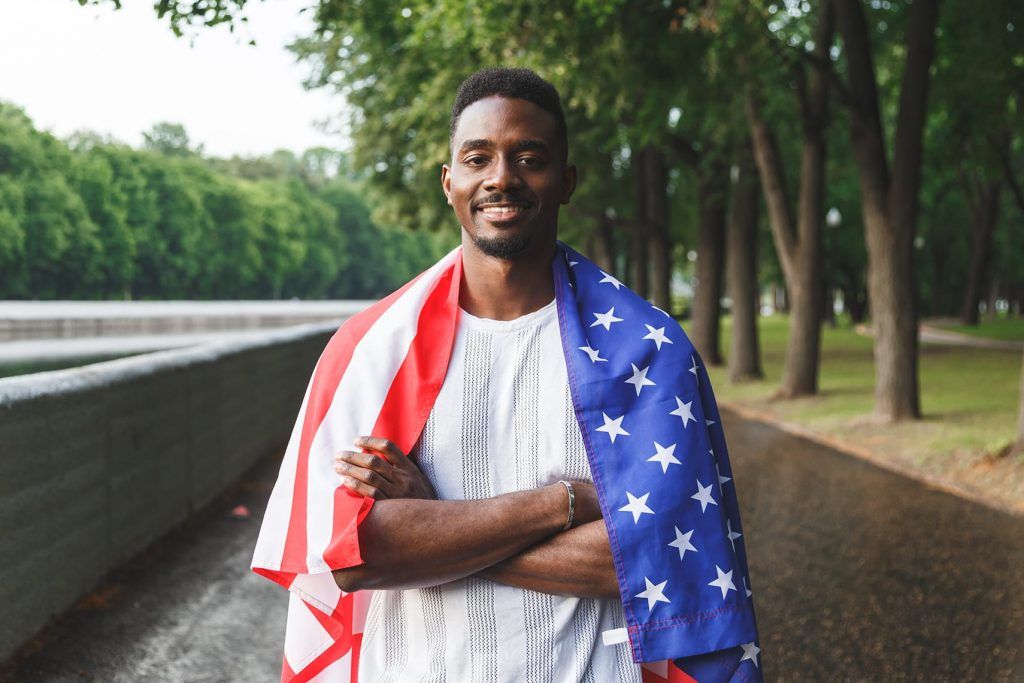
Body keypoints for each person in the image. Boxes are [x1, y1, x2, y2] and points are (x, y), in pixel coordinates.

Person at [253, 67, 760, 683]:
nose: (501, 177)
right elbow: (353, 558)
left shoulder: (647, 353)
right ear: (449, 182)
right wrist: (568, 502)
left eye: (529, 157)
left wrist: (430, 527)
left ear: (566, 181)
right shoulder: (369, 351)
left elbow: (642, 565)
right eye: (478, 157)